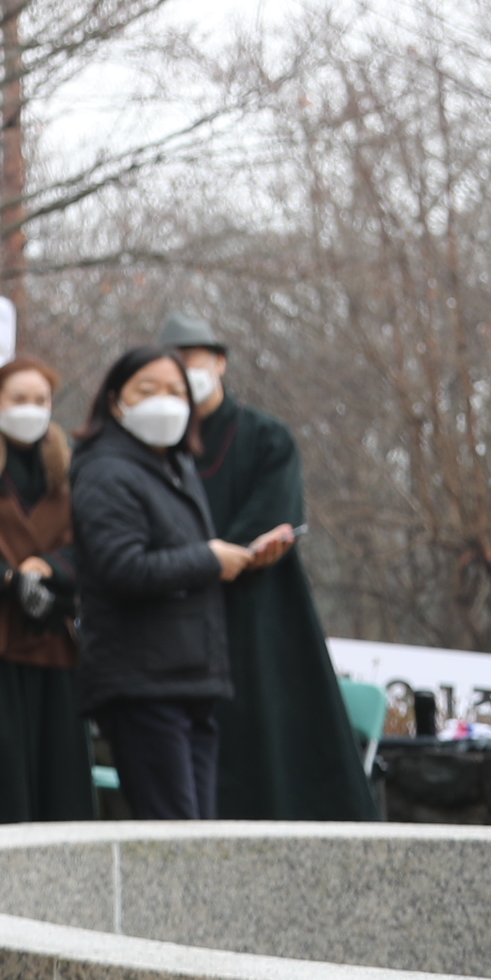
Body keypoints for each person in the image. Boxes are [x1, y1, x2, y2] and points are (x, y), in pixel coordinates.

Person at [162, 314, 377, 822]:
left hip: (264, 618)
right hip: (182, 622)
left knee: (277, 743)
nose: (188, 370)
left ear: (219, 361)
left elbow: (271, 519)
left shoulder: (266, 437)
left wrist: (209, 558)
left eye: (195, 357)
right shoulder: (160, 448)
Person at [69, 344, 277, 821]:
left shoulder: (176, 466)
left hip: (190, 677)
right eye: (148, 389)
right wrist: (208, 559)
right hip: (142, 680)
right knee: (172, 834)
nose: (164, 400)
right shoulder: (104, 470)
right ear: (115, 400)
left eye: (175, 390)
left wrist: (234, 558)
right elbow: (121, 567)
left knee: (196, 838)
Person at [0, 358, 95, 824]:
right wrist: (6, 577)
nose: (31, 410)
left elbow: (89, 544)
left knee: (57, 767)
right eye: (19, 400)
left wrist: (47, 569)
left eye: (40, 401)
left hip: (50, 633)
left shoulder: (68, 477)